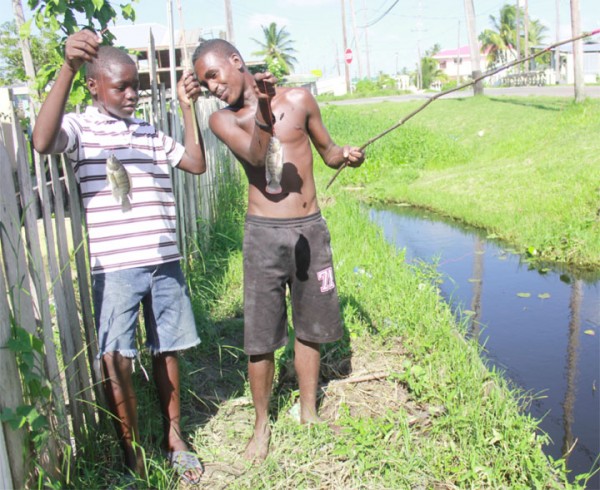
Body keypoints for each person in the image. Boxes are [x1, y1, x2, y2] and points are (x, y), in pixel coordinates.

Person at [32, 29, 206, 484]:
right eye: (121, 87)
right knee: (116, 358)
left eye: (136, 87)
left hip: (164, 259)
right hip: (116, 267)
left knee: (167, 349)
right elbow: (41, 140)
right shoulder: (81, 128)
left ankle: (174, 437)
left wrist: (186, 109)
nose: (132, 95)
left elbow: (194, 163)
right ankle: (130, 452)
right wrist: (68, 68)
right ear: (94, 86)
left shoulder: (147, 131)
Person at [191, 39, 365, 462]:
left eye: (214, 74)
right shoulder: (221, 120)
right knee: (262, 337)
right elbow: (255, 154)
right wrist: (265, 111)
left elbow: (327, 152)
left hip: (309, 229)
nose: (212, 86)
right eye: (203, 81)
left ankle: (309, 413)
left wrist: (347, 155)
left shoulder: (301, 99)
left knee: (310, 324)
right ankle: (261, 427)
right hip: (263, 234)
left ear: (236, 62)